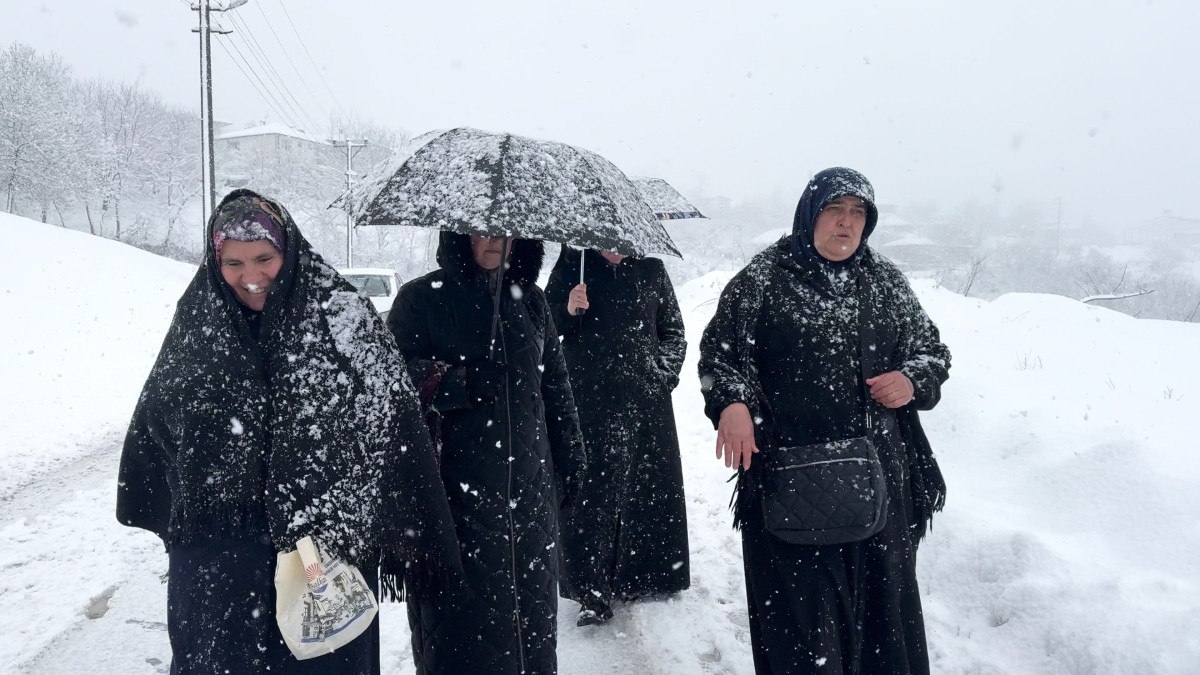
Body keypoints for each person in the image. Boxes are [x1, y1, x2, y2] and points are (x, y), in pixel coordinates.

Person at [116, 189, 459, 675]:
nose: (251, 277)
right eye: (233, 262)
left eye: (264, 258)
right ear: (216, 261)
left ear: (288, 250)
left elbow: (390, 420)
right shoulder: (198, 319)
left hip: (322, 556)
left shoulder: (343, 317)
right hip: (221, 563)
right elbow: (158, 423)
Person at [698, 168, 951, 674]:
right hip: (791, 481)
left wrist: (912, 379)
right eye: (836, 209)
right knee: (802, 630)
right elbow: (717, 356)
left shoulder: (886, 282)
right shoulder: (764, 279)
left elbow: (933, 352)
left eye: (858, 213)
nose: (846, 222)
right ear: (810, 214)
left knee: (884, 625)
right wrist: (731, 404)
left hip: (879, 482)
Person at [388, 232, 586, 674]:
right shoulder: (421, 298)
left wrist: (570, 455)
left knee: (529, 632)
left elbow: (554, 384)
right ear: (459, 236)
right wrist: (459, 381)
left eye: (507, 231)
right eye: (483, 230)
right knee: (460, 637)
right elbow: (391, 380)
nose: (497, 240)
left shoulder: (531, 302)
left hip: (530, 503)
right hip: (454, 503)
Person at [545, 247, 690, 626]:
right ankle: (590, 587)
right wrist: (568, 309)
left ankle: (647, 574)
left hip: (646, 401)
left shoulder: (652, 269)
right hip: (587, 397)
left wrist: (663, 375)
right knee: (590, 491)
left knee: (646, 485)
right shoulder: (573, 263)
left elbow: (673, 331)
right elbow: (543, 325)